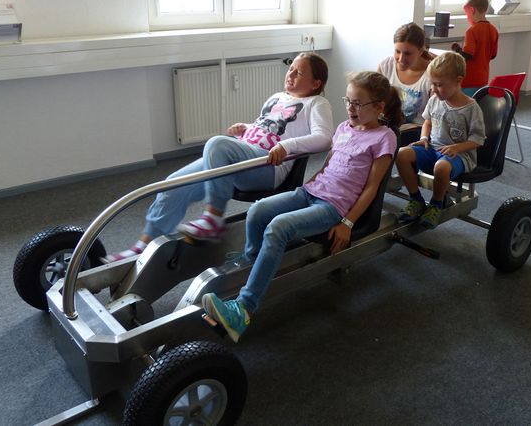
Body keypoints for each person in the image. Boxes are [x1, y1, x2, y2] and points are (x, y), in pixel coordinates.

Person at [202, 71, 402, 342]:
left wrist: (347, 222)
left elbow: (372, 187)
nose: (350, 108)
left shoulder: (384, 137)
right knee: (258, 210)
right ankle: (253, 263)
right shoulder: (344, 128)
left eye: (358, 103)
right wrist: (308, 188)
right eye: (348, 101)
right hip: (310, 192)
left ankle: (243, 310)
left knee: (278, 227)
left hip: (333, 207)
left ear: (378, 107)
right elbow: (329, 166)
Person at [103, 52, 334, 262]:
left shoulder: (317, 103)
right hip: (244, 156)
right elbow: (268, 127)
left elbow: (324, 138)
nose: (290, 75)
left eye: (298, 73)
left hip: (267, 166)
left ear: (316, 83)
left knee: (217, 144)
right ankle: (143, 245)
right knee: (173, 183)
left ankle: (212, 218)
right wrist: (246, 128)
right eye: (290, 69)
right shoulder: (277, 97)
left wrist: (287, 146)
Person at [395, 51, 485, 229]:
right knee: (402, 154)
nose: (434, 89)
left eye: (439, 85)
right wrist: (423, 138)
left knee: (442, 167)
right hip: (433, 148)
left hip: (460, 156)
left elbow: (478, 140)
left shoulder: (471, 108)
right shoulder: (435, 100)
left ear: (458, 81)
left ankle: (436, 205)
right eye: (432, 84)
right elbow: (428, 122)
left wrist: (456, 148)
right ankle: (416, 200)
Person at [378, 22, 433, 145]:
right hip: (389, 126)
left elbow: (436, 117)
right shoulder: (385, 66)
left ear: (420, 51)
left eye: (407, 54)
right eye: (397, 51)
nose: (401, 59)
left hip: (418, 133)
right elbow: (374, 102)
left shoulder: (432, 75)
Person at [451, 0, 499, 97]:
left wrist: (457, 49)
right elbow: (493, 55)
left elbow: (468, 55)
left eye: (467, 14)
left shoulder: (472, 31)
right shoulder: (494, 30)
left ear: (472, 10)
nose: (467, 17)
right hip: (483, 79)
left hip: (469, 80)